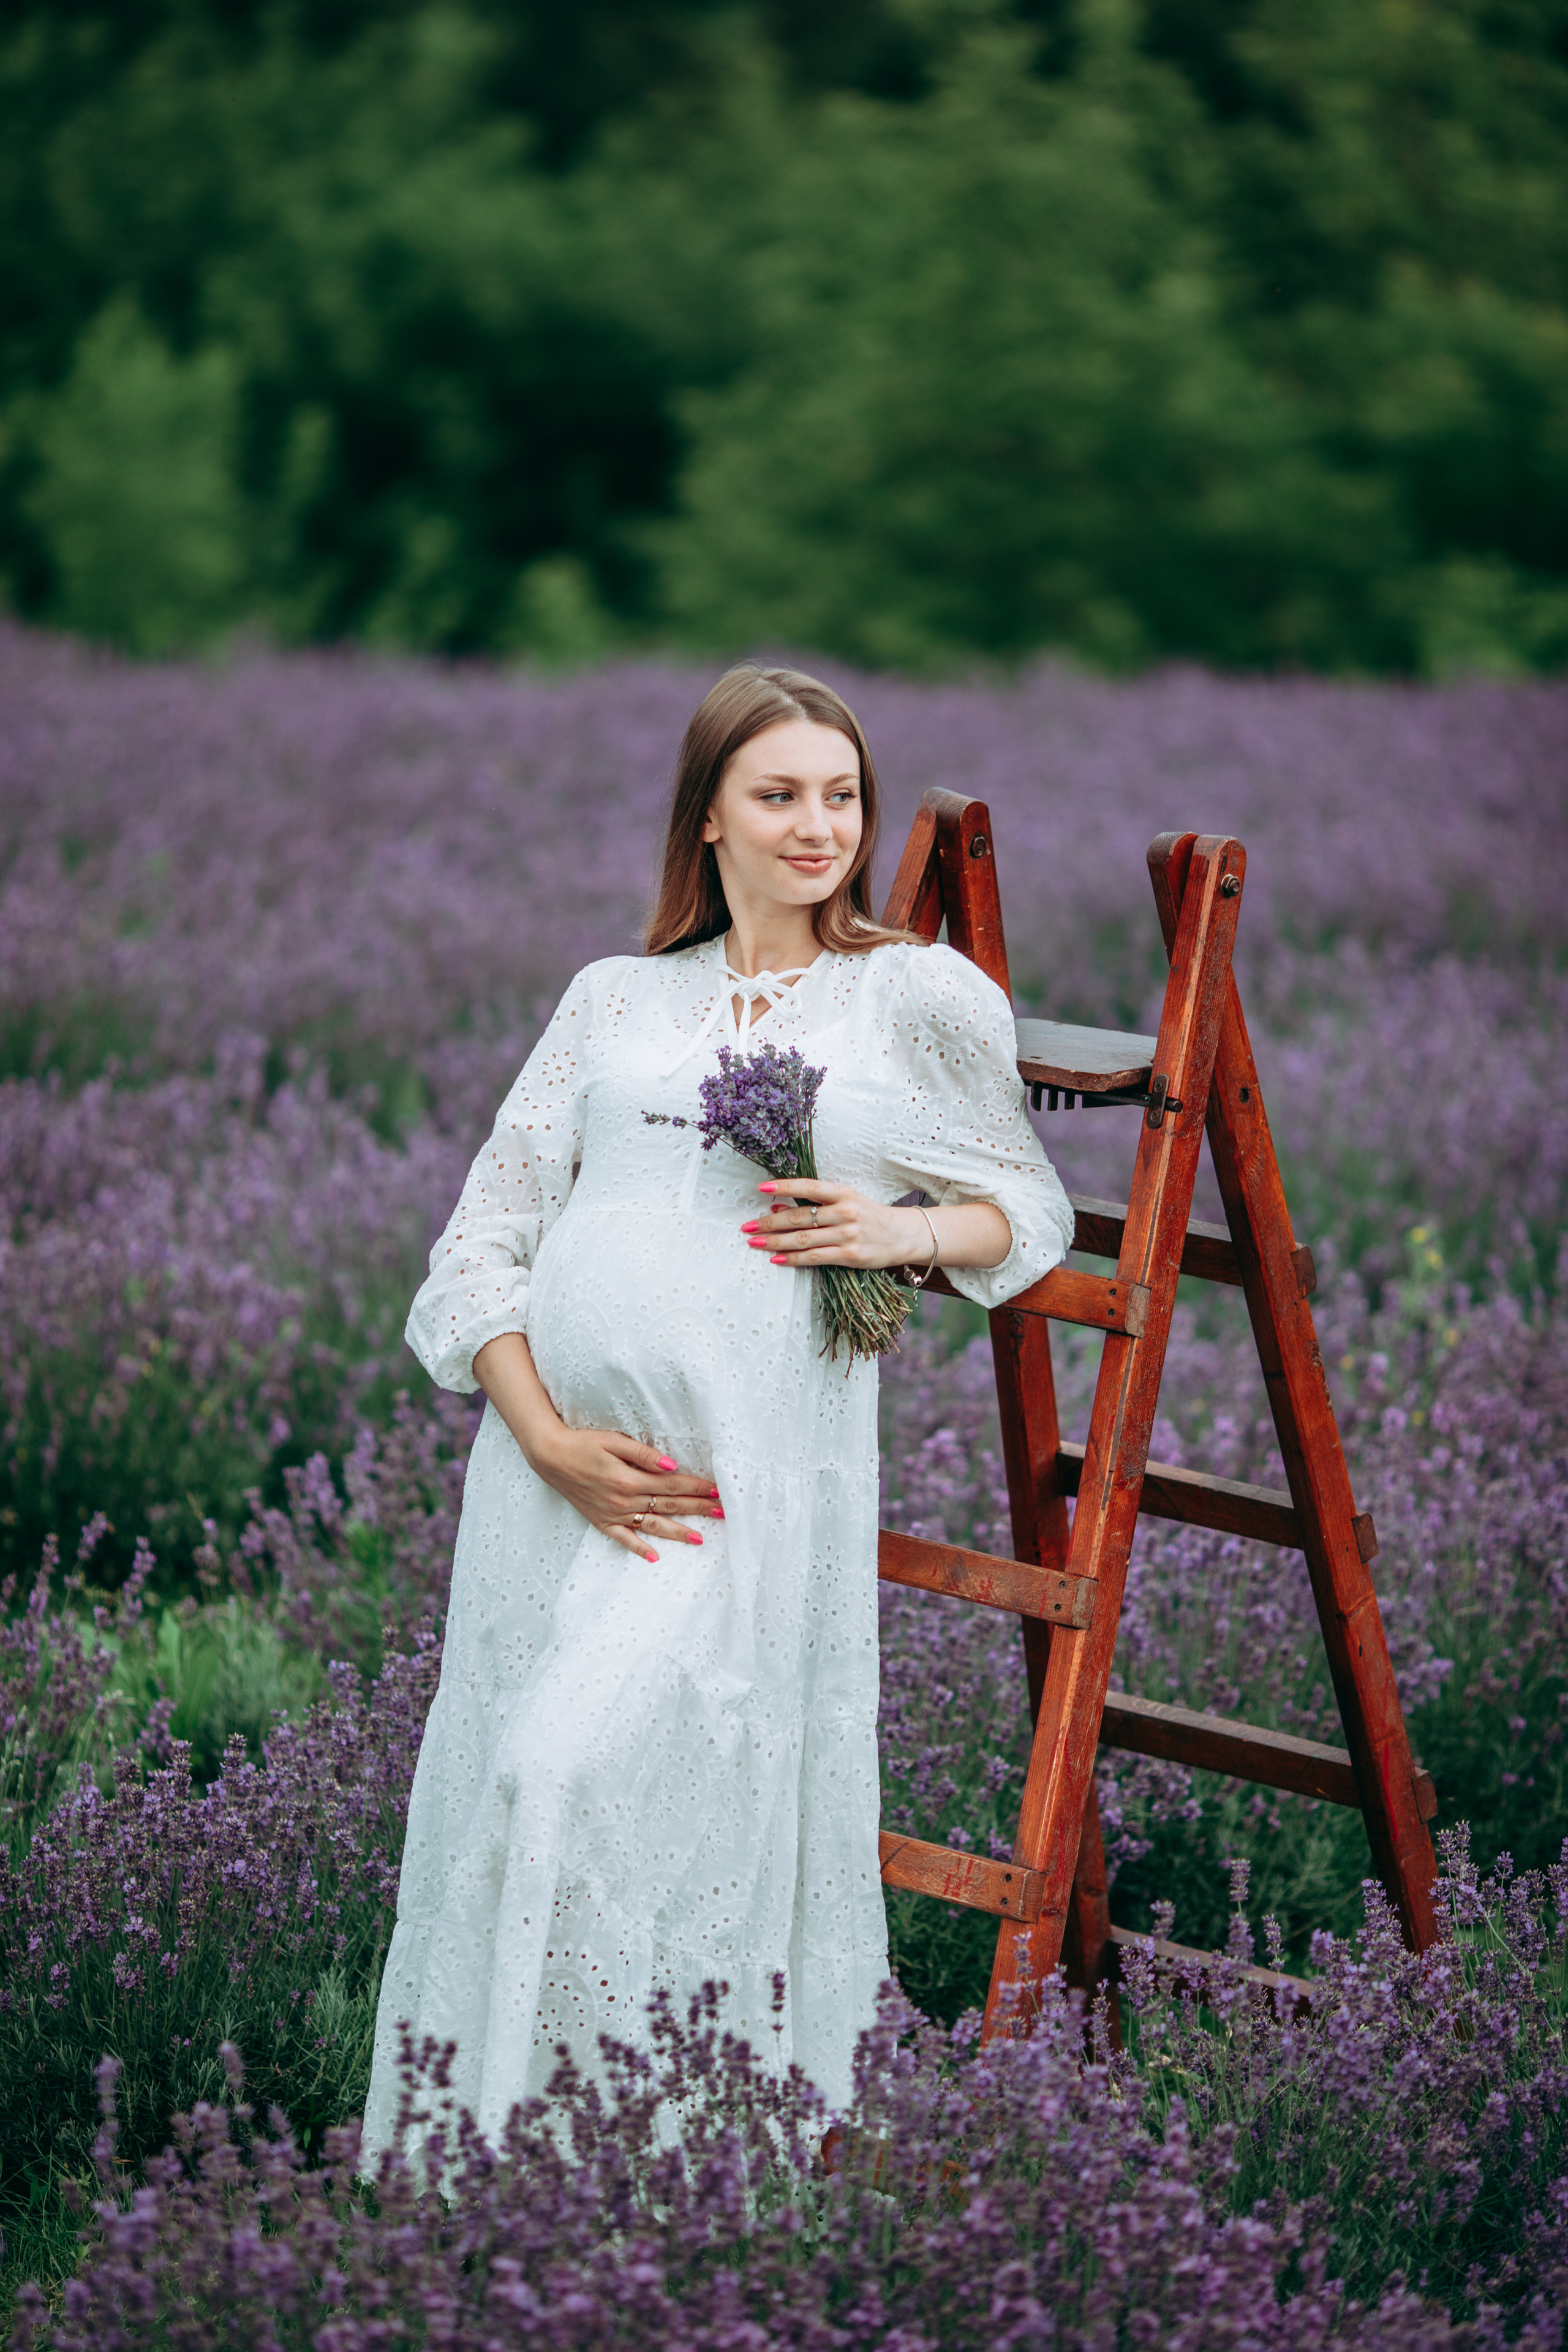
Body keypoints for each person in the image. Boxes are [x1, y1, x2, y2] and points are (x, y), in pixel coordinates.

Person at [361, 664, 1074, 2162]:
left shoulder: (909, 993)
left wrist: (901, 1236)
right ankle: (493, 2183)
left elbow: (1026, 1209)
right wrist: (548, 1438)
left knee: (579, 1778)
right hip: (549, 1480)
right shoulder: (613, 1000)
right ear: (706, 822)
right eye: (778, 795)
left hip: (733, 1487)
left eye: (839, 795)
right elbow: (479, 1242)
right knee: (514, 1801)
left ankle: (672, 2163)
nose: (817, 825)